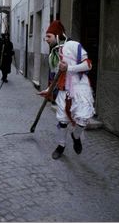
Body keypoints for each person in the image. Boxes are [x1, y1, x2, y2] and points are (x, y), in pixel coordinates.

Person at [37, 20, 95, 159]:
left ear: (57, 35)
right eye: (46, 37)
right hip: (63, 91)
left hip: (80, 89)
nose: (46, 39)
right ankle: (61, 146)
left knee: (82, 119)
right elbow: (55, 78)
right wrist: (48, 90)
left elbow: (88, 65)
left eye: (49, 36)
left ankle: (76, 136)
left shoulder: (74, 45)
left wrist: (69, 68)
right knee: (62, 121)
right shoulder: (53, 55)